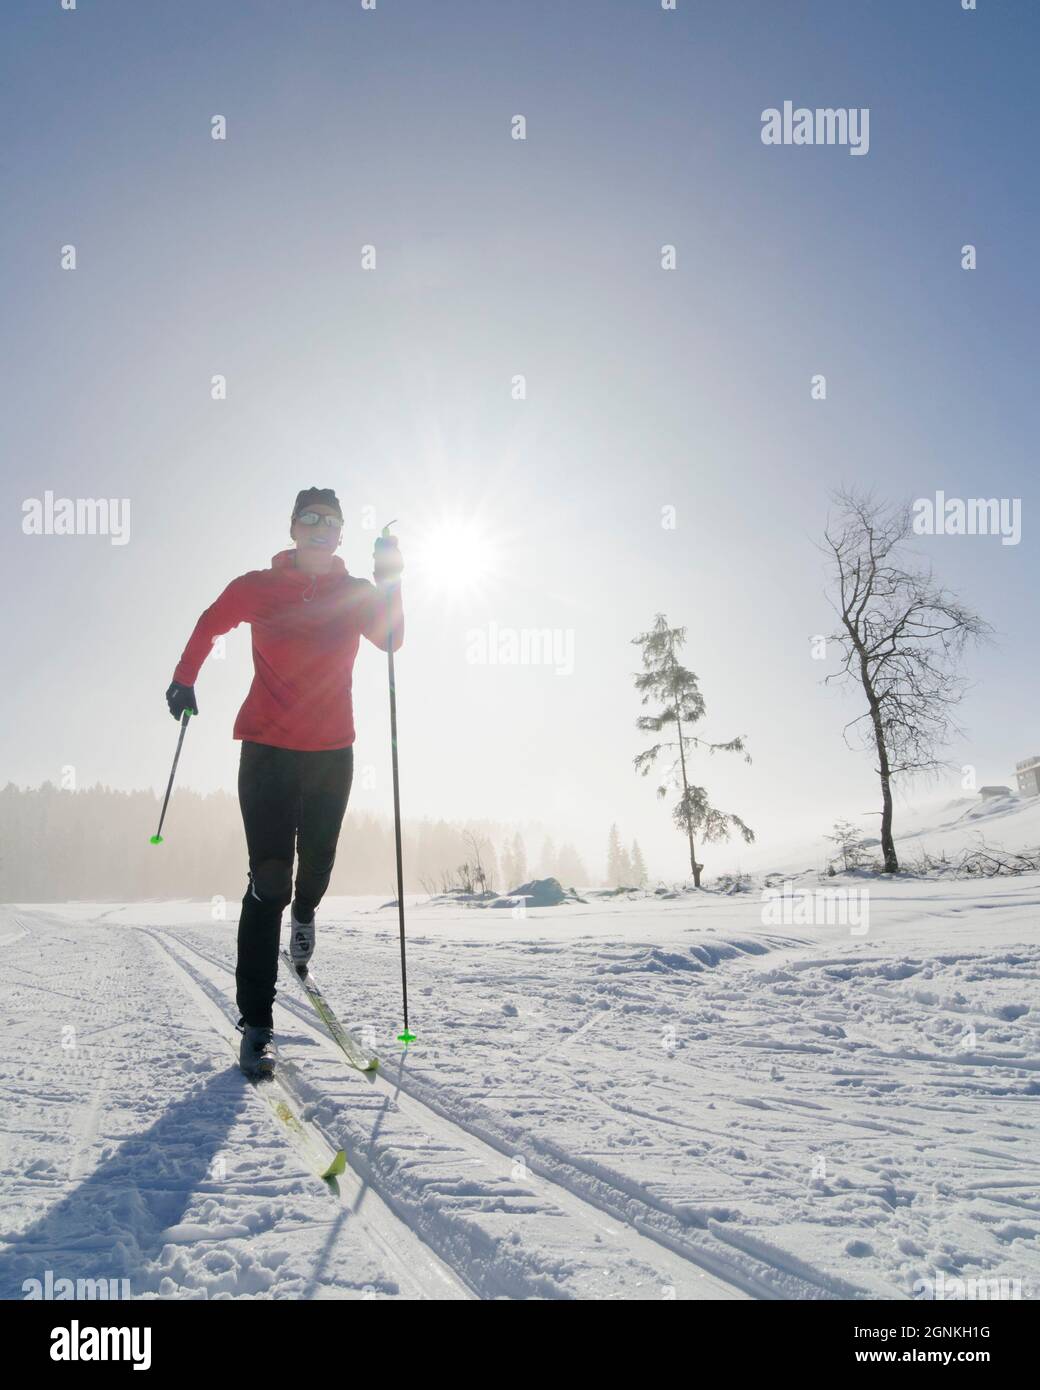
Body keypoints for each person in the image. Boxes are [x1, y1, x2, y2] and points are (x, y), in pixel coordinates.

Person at [166, 488, 404, 1078]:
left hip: (331, 753)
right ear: (294, 528)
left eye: (332, 522)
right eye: (311, 519)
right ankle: (257, 1024)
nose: (321, 529)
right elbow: (209, 622)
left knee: (315, 865)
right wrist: (183, 678)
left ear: (341, 535)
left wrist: (390, 577)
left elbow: (392, 638)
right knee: (268, 879)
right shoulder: (257, 586)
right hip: (268, 750)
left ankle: (306, 916)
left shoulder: (354, 594)